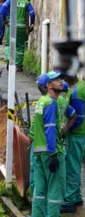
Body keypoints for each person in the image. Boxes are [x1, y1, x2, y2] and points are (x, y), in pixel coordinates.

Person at [29, 74, 76, 194]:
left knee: (39, 180)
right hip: (55, 144)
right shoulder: (59, 101)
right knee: (54, 182)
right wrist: (64, 131)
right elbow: (73, 115)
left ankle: (39, 206)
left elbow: (46, 128)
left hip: (44, 146)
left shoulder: (44, 102)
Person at [32, 71, 67, 217]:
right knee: (55, 191)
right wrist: (53, 154)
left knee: (39, 190)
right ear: (48, 85)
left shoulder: (41, 101)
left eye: (61, 78)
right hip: (50, 152)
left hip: (38, 152)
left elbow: (33, 129)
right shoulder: (51, 103)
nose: (61, 81)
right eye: (56, 79)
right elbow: (50, 129)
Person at [61, 76, 85, 213]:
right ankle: (76, 197)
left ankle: (69, 201)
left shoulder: (76, 92)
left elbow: (78, 118)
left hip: (75, 134)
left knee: (72, 167)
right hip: (77, 134)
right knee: (74, 165)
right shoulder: (77, 87)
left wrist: (65, 130)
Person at [1, 0, 35, 72]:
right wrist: (31, 24)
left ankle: (9, 57)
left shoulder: (10, 0)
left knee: (9, 44)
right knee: (20, 46)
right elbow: (32, 13)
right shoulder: (26, 2)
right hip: (21, 26)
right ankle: (18, 66)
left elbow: (3, 8)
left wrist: (4, 19)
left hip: (11, 25)